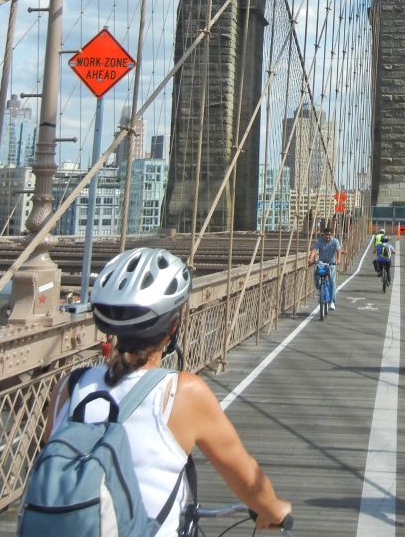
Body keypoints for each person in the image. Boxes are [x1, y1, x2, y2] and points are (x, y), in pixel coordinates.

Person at [42, 248, 291, 534]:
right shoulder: (183, 392)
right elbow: (247, 481)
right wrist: (274, 509)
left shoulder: (69, 387)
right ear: (173, 326)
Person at [309, 223, 341, 310]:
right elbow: (314, 250)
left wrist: (338, 260)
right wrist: (311, 258)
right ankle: (321, 290)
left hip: (331, 264)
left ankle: (332, 302)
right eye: (326, 235)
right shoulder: (320, 241)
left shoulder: (335, 241)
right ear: (324, 235)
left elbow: (338, 251)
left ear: (332, 235)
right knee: (316, 275)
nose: (328, 237)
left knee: (332, 282)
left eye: (329, 235)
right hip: (321, 263)